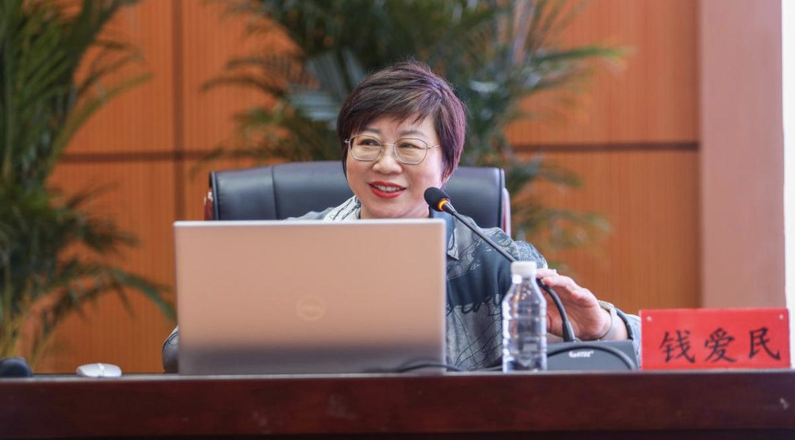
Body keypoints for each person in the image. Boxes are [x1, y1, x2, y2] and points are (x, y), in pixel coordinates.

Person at [162, 61, 641, 372]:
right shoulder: (289, 246)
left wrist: (600, 328)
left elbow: (641, 349)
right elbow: (180, 350)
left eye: (409, 147)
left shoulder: (495, 258)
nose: (385, 164)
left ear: (447, 166)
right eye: (367, 143)